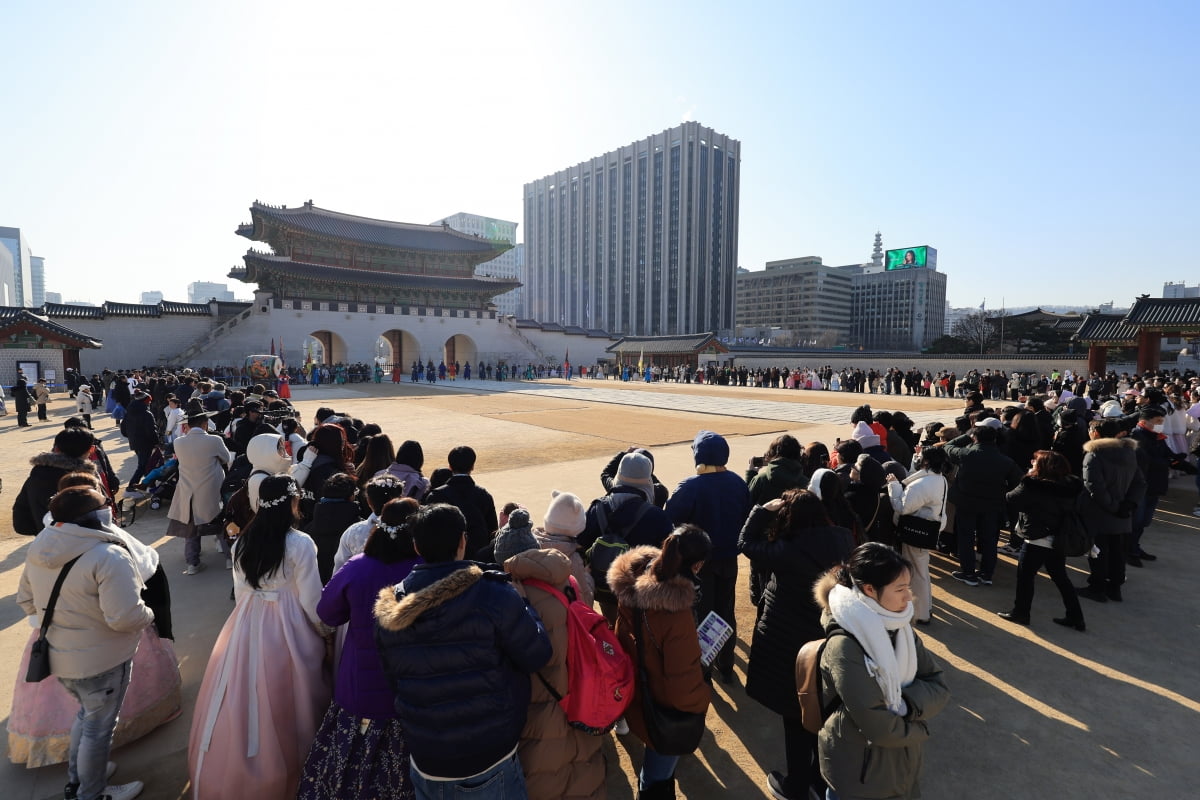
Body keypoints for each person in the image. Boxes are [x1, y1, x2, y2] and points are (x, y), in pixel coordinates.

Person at [374, 503, 553, 797]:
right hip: (490, 749)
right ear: (463, 541)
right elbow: (536, 654)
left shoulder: (390, 608)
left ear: (417, 546)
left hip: (427, 753)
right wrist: (526, 606)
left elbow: (393, 679)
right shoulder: (495, 592)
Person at [9, 472, 181, 773]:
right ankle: (91, 791)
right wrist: (149, 615)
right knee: (98, 731)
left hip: (59, 653)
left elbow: (25, 599)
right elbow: (125, 617)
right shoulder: (109, 555)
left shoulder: (41, 546)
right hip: (102, 659)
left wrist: (64, 619)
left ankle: (79, 779)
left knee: (85, 720)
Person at [188, 475, 331, 800]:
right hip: (288, 621)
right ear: (292, 502)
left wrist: (248, 622)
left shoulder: (243, 541)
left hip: (248, 620)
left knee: (244, 687)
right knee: (293, 689)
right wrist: (324, 631)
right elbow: (311, 600)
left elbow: (241, 593)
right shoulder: (299, 543)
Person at [298, 498, 422, 800]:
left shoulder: (357, 568)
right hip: (413, 687)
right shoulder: (424, 571)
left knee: (351, 767)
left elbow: (327, 613)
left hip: (359, 685)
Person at [739, 490, 854, 800]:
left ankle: (797, 785)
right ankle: (819, 777)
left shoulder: (785, 549)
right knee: (825, 708)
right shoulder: (844, 539)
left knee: (795, 714)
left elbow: (745, 544)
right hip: (829, 639)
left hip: (790, 644)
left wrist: (762, 510)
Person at [814, 543, 949, 800]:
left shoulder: (900, 627)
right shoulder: (844, 645)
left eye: (908, 587)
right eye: (900, 589)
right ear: (869, 590)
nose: (908, 596)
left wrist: (907, 705)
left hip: (900, 765)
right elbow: (878, 726)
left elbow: (939, 685)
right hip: (861, 772)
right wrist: (919, 730)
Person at [497, 523, 607, 800]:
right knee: (584, 769)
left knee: (547, 777)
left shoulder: (512, 598)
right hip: (581, 695)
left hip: (539, 707)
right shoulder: (568, 581)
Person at [607, 528, 712, 799]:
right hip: (663, 706)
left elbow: (622, 638)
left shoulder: (631, 581)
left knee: (654, 770)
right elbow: (683, 684)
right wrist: (702, 698)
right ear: (697, 564)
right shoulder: (675, 613)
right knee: (655, 777)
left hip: (638, 690)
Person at [665, 430, 751, 683]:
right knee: (726, 610)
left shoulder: (690, 485)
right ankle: (726, 665)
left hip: (697, 563)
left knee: (702, 614)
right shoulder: (737, 482)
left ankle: (703, 669)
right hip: (728, 559)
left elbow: (670, 517)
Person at [997, 451, 1087, 631]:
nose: (1032, 462)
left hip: (1037, 538)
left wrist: (1027, 476)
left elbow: (1011, 499)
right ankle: (1076, 616)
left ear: (1043, 466)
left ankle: (1021, 612)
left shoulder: (1033, 484)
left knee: (1025, 576)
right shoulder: (1072, 485)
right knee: (1060, 577)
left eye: (1035, 461)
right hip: (1060, 537)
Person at [940, 418, 1022, 587]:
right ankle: (986, 573)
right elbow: (1019, 482)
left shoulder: (966, 454)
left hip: (966, 502)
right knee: (990, 540)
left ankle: (968, 572)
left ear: (975, 438)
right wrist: (1005, 496)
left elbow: (948, 446)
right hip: (992, 505)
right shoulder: (1005, 461)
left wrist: (967, 437)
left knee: (966, 538)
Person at [1077, 419, 1145, 603]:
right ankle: (1114, 588)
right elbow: (1139, 483)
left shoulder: (1094, 454)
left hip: (1099, 513)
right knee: (1117, 552)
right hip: (1122, 515)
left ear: (1096, 433)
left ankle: (1097, 587)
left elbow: (1094, 487)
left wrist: (1113, 507)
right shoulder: (1129, 453)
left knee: (1098, 551)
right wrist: (1128, 505)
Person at [886, 448, 950, 625]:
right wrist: (917, 455)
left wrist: (893, 485)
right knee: (922, 571)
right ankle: (925, 608)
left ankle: (921, 613)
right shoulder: (939, 479)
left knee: (917, 574)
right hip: (929, 529)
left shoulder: (922, 485)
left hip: (916, 532)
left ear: (927, 462)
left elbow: (902, 507)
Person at [167, 413, 233, 575]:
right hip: (211, 489)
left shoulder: (179, 442)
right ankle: (229, 559)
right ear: (205, 425)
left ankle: (192, 563)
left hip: (188, 490)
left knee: (191, 527)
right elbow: (225, 458)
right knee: (220, 523)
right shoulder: (214, 440)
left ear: (187, 426)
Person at [12, 427, 100, 536]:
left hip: (47, 541)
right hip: (82, 542)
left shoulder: (38, 474)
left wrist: (43, 530)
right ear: (91, 449)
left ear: (56, 449)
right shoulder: (83, 480)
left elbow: (21, 520)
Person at [424, 445, 499, 557]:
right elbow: (493, 530)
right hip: (478, 559)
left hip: (445, 558)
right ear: (473, 466)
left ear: (450, 466)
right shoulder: (484, 495)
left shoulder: (435, 496)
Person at [119, 390, 158, 490]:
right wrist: (156, 442)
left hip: (135, 443)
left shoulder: (129, 413)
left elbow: (123, 429)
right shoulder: (147, 414)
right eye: (148, 401)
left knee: (145, 464)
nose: (150, 403)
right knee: (142, 465)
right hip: (146, 443)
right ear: (145, 401)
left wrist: (132, 436)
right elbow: (151, 431)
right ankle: (131, 487)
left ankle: (149, 483)